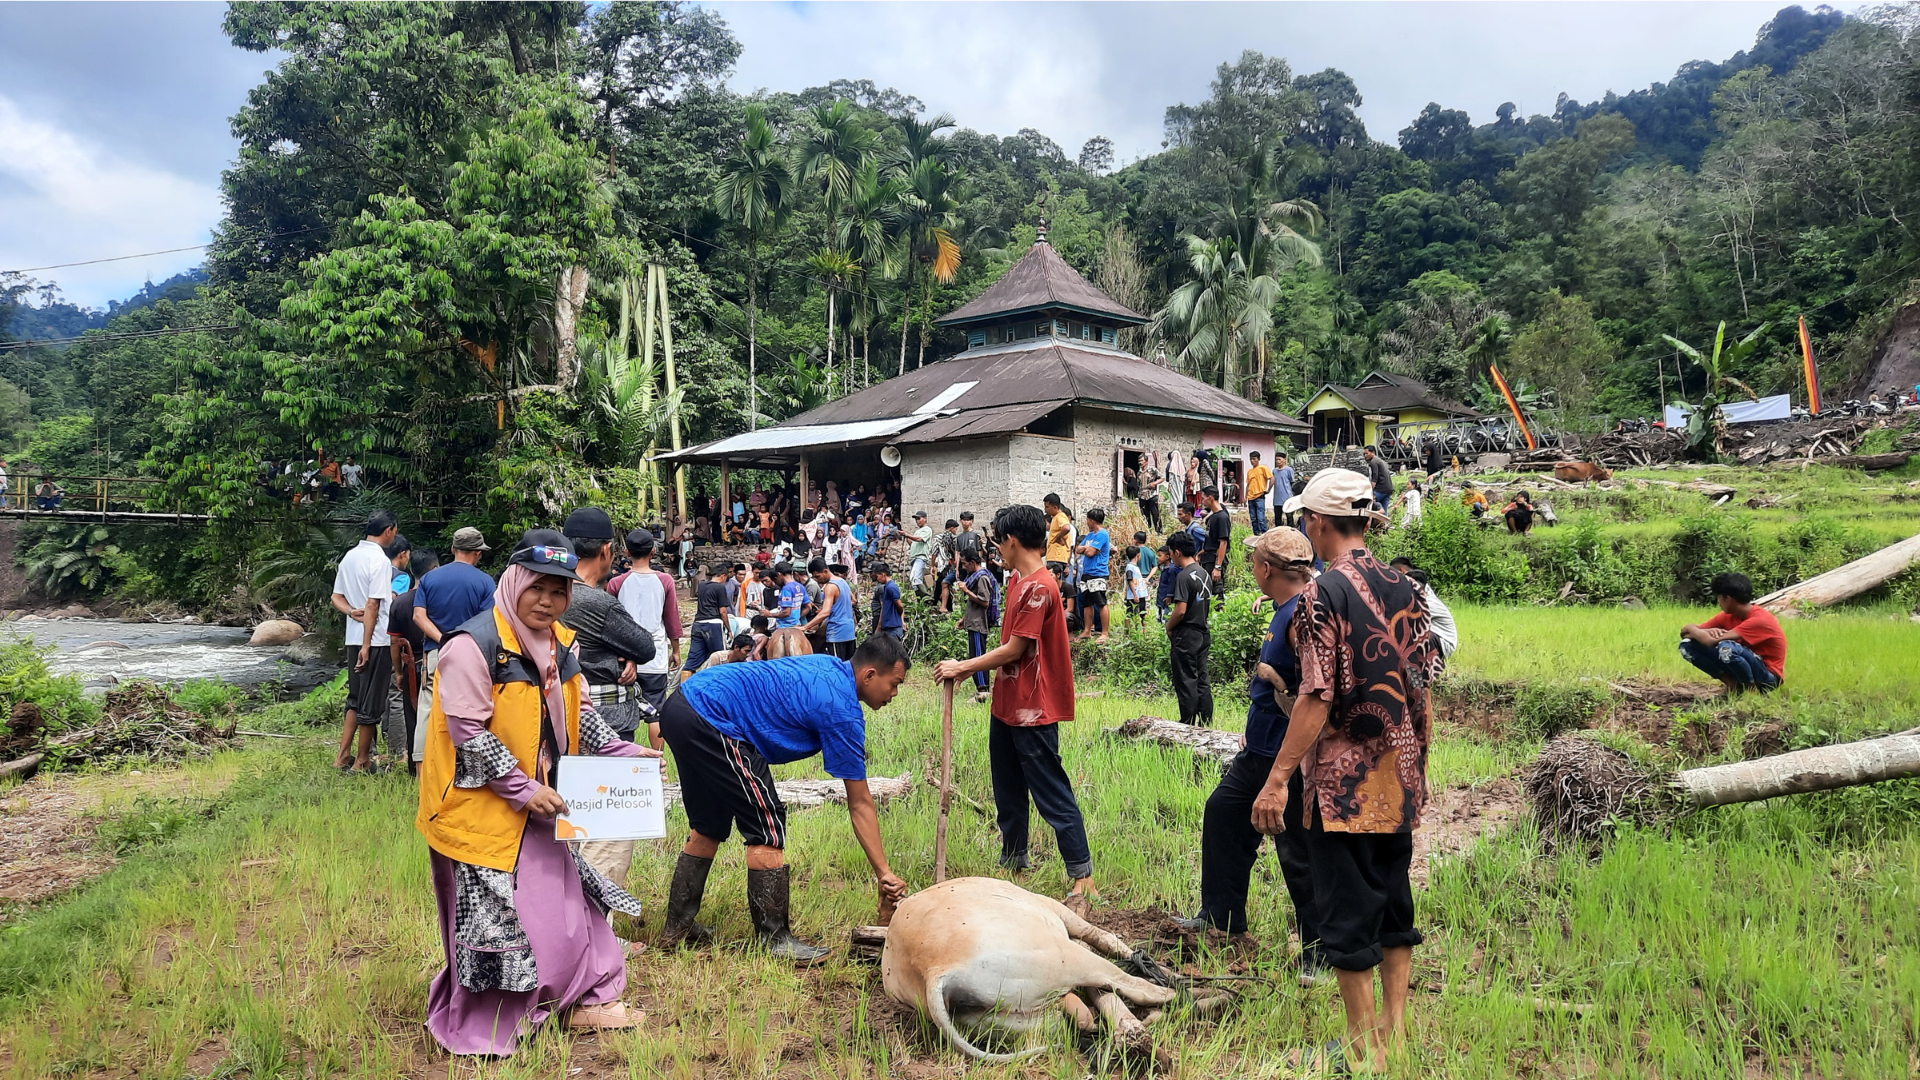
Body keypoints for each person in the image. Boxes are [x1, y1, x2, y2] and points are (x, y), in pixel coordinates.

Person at [416, 530, 662, 1053]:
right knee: (500, 925)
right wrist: (522, 788)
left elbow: (579, 712)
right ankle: (493, 1021)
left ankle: (584, 1000)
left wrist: (621, 751)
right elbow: (468, 732)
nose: (547, 601)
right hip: (481, 813)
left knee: (570, 912)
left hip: (540, 805)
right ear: (514, 582)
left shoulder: (560, 643)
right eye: (537, 588)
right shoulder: (472, 646)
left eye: (558, 591)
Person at [1258, 467, 1439, 1074]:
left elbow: (1316, 697)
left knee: (1347, 913)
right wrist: (1417, 764)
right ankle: (1395, 1036)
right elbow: (1423, 687)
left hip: (1344, 789)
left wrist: (1277, 779)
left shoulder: (1321, 596)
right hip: (1400, 775)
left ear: (1316, 523)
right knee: (1394, 906)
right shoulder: (1408, 588)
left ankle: (1365, 1049)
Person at [656, 638, 913, 962]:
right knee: (766, 824)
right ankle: (775, 939)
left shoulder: (829, 666)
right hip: (713, 717)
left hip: (682, 704)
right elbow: (860, 802)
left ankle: (677, 928)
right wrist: (883, 872)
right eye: (894, 684)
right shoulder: (842, 710)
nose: (895, 694)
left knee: (709, 824)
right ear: (870, 675)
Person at [934, 504, 1099, 917]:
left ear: (1011, 541)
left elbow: (1015, 649)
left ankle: (1082, 872)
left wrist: (964, 666)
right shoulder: (1017, 582)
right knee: (1007, 785)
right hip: (1008, 701)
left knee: (1049, 787)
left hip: (1034, 707)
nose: (997, 549)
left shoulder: (1040, 587)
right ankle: (1013, 859)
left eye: (998, 542)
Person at [1176, 528, 1322, 980]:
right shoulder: (1285, 609)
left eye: (1254, 561)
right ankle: (1221, 918)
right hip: (1259, 747)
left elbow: (1315, 695)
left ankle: (1320, 951)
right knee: (1224, 814)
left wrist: (1278, 690)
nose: (1252, 568)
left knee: (1298, 851)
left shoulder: (1304, 616)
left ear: (1266, 569)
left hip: (1288, 758)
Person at [412, 527, 497, 767]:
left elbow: (418, 616)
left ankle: (421, 769)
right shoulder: (485, 582)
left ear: (453, 549)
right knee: (469, 709)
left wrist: (442, 640)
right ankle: (463, 767)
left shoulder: (429, 579)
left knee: (428, 708)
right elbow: (487, 622)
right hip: (472, 656)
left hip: (435, 652)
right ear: (478, 553)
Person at [331, 512, 399, 773]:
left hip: (353, 636)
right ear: (389, 530)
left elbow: (336, 597)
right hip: (376, 639)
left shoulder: (350, 556)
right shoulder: (379, 560)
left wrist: (350, 612)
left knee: (356, 697)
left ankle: (342, 756)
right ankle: (362, 761)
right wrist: (367, 645)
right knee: (372, 701)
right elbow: (373, 604)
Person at [611, 528, 682, 735]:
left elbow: (610, 623)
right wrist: (676, 650)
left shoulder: (616, 582)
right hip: (654, 655)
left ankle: (626, 751)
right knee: (656, 713)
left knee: (623, 710)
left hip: (623, 657)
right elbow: (671, 618)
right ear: (653, 551)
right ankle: (657, 754)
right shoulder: (665, 580)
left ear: (626, 552)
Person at [1680, 572, 1786, 694]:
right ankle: (1732, 684)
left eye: (1719, 597)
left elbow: (1709, 641)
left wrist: (1692, 628)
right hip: (1746, 664)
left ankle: (1750, 689)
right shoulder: (1728, 616)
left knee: (1727, 648)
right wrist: (1698, 630)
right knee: (1687, 645)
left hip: (1768, 675)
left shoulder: (1760, 619)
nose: (1719, 602)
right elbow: (1685, 634)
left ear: (1728, 599)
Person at [385, 548, 436, 774]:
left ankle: (414, 768)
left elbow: (395, 642)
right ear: (435, 569)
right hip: (438, 661)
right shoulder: (438, 600)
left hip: (411, 666)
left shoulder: (401, 602)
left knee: (413, 716)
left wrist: (398, 671)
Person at [1164, 531, 1214, 727]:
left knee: (1186, 679)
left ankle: (1187, 723)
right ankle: (1206, 721)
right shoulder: (1204, 573)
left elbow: (1181, 610)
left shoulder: (1183, 576)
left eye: (1171, 553)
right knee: (1202, 678)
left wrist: (1169, 627)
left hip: (1187, 634)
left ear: (1177, 552)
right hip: (1203, 631)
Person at [1390, 558, 1458, 661]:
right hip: (1434, 636)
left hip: (1444, 643)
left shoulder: (1429, 603)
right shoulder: (1420, 594)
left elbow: (1404, 616)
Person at [956, 550, 999, 704]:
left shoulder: (982, 578)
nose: (963, 567)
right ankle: (980, 688)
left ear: (973, 563)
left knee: (979, 659)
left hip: (978, 624)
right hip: (973, 622)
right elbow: (974, 603)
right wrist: (964, 619)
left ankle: (983, 690)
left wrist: (966, 591)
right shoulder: (976, 577)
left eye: (964, 563)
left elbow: (984, 601)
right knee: (974, 656)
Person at [682, 564, 732, 679]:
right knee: (720, 656)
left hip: (698, 623)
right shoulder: (720, 588)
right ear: (723, 576)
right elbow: (723, 611)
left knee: (693, 659)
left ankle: (683, 685)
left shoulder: (702, 585)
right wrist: (729, 629)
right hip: (714, 623)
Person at [802, 559, 857, 660]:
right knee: (849, 665)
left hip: (837, 633)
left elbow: (825, 612)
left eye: (817, 576)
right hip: (850, 631)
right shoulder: (843, 582)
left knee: (836, 666)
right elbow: (853, 600)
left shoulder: (830, 587)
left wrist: (805, 627)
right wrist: (835, 608)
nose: (817, 580)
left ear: (825, 571)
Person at [1074, 507, 1112, 643]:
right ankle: (1087, 631)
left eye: (1087, 520)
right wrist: (1087, 548)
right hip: (1087, 572)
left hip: (1098, 573)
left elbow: (1089, 553)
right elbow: (1078, 549)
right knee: (1087, 603)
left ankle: (1105, 633)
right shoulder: (1090, 535)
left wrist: (1088, 550)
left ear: (1091, 520)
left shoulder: (1102, 534)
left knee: (1101, 602)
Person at [1200, 486, 1233, 591]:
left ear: (1210, 498)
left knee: (1216, 591)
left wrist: (1218, 566)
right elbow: (1211, 540)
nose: (1202, 502)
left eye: (1203, 498)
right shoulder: (1213, 516)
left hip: (1215, 559)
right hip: (1208, 558)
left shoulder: (1222, 517)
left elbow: (1223, 543)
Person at [869, 562, 904, 639]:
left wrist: (898, 615)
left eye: (878, 576)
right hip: (888, 626)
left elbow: (900, 605)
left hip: (893, 627)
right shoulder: (887, 587)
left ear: (883, 574)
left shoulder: (891, 587)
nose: (877, 578)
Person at [1246, 451, 1273, 535]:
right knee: (1253, 518)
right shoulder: (1250, 471)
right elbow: (1248, 484)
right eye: (1251, 459)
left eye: (1254, 459)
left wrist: (1268, 489)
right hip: (1250, 497)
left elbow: (1272, 479)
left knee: (1261, 518)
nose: (1252, 461)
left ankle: (1265, 534)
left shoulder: (1263, 468)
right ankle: (1256, 534)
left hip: (1260, 496)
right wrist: (1245, 497)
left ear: (1258, 459)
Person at [1043, 494, 1072, 574]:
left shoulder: (1060, 516)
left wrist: (1057, 537)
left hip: (1056, 557)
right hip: (1056, 557)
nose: (1045, 510)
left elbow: (1066, 528)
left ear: (1055, 507)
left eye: (1047, 507)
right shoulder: (1055, 517)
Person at [1122, 545, 1149, 628]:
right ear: (1138, 555)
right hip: (1134, 595)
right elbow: (1130, 580)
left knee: (1143, 612)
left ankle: (1144, 630)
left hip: (1141, 594)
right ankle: (1127, 631)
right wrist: (1135, 594)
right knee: (1129, 613)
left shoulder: (1135, 567)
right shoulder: (1130, 567)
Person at [907, 511, 933, 592]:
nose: (917, 521)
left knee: (915, 578)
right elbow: (912, 543)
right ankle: (921, 597)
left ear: (925, 519)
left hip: (920, 557)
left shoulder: (927, 529)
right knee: (914, 579)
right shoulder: (917, 531)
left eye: (919, 518)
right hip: (914, 558)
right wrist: (906, 536)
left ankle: (923, 596)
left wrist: (907, 535)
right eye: (916, 519)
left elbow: (920, 539)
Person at [1363, 445, 1393, 514]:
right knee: (1384, 510)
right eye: (1364, 454)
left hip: (1381, 489)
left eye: (1367, 453)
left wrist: (1371, 491)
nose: (1365, 455)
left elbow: (1374, 479)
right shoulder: (1380, 461)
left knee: (1370, 503)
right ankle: (1384, 519)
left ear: (1373, 453)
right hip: (1388, 488)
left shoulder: (1373, 462)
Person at [1155, 543, 1178, 622]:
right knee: (1160, 616)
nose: (1158, 558)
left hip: (1166, 598)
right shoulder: (1165, 568)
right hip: (1161, 597)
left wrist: (1169, 596)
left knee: (1166, 617)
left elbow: (1171, 583)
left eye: (1160, 555)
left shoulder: (1171, 569)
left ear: (1167, 557)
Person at [1273, 452, 1297, 527]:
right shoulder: (1274, 471)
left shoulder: (1289, 470)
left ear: (1285, 460)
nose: (1277, 461)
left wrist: (1292, 496)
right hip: (1277, 499)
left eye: (1279, 459)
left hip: (1287, 497)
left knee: (1289, 517)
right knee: (1277, 519)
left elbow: (1292, 482)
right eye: (1276, 460)